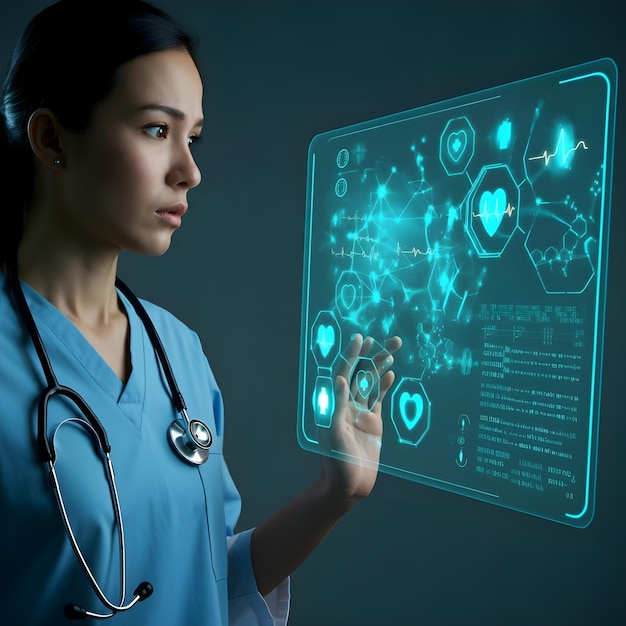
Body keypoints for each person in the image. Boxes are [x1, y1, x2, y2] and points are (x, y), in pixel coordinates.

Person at [0, 1, 401, 624]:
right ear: (53, 138)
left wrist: (334, 494)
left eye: (193, 138)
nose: (190, 171)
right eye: (157, 130)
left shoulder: (179, 353)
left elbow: (209, 574)